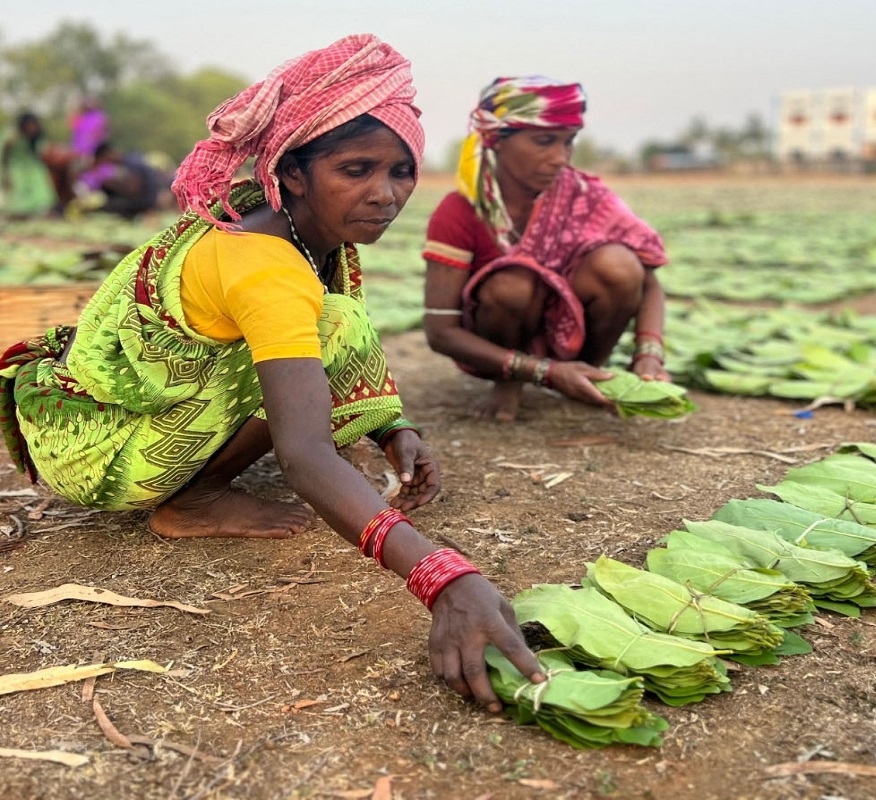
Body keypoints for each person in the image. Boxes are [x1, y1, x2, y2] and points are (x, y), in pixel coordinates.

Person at [0, 35, 542, 712]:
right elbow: (305, 453)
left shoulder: (293, 228)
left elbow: (324, 344)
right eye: (357, 169)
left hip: (115, 417)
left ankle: (205, 474)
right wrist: (444, 578)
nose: (386, 194)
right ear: (291, 174)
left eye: (401, 171)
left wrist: (391, 427)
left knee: (333, 321)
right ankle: (191, 499)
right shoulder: (265, 259)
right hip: (99, 446)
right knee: (332, 328)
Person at [421, 76, 670, 422]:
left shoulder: (585, 195)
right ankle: (509, 383)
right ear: (496, 141)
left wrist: (649, 354)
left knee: (620, 265)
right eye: (544, 141)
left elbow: (649, 283)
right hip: (497, 338)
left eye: (568, 143)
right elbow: (440, 332)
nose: (560, 158)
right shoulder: (461, 211)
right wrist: (543, 371)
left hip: (574, 331)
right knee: (512, 284)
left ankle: (587, 371)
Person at [76, 142, 165, 219]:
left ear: (107, 155)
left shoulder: (130, 162)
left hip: (144, 203)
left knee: (103, 207)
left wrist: (112, 185)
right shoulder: (131, 158)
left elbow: (133, 190)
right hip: (147, 199)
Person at [0, 112, 59, 218]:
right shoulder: (12, 136)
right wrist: (5, 174)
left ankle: (39, 213)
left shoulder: (37, 138)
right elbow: (4, 156)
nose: (32, 128)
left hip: (34, 169)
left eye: (34, 125)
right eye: (29, 125)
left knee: (41, 190)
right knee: (18, 194)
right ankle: (17, 214)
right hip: (16, 169)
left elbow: (44, 152)